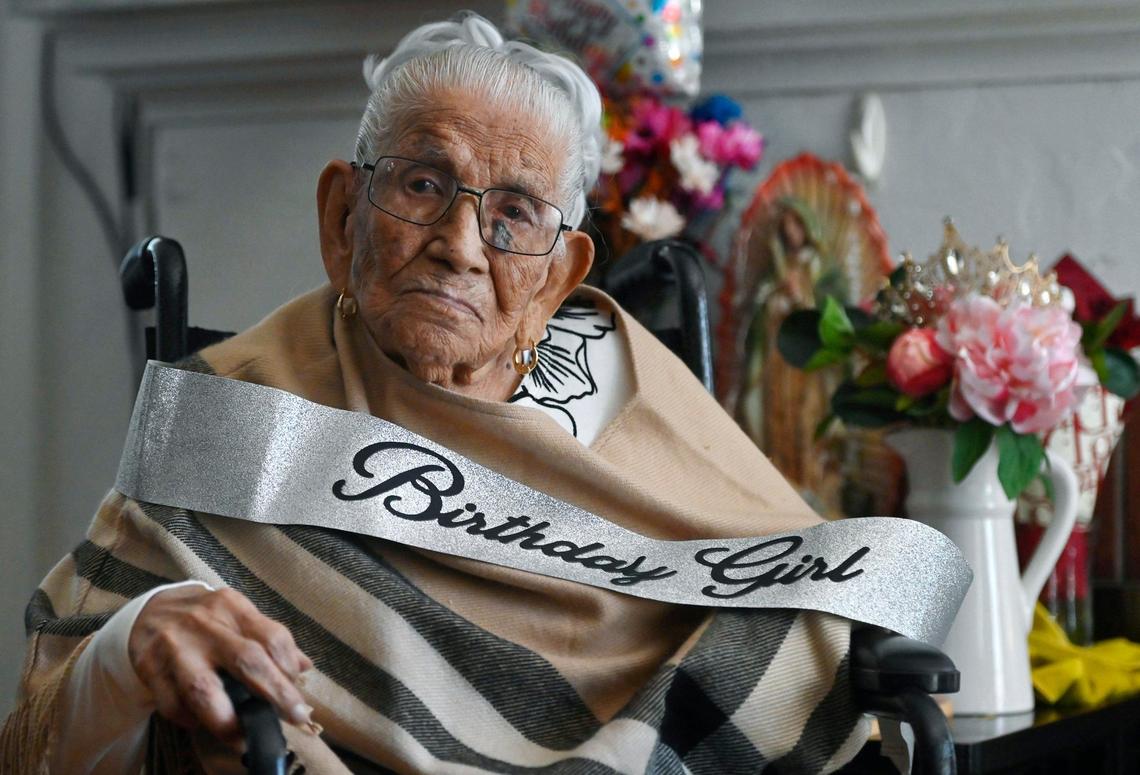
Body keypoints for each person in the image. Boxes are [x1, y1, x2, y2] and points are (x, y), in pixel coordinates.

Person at [1, 13, 867, 774]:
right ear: (344, 217)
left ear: (558, 276)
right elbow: (42, 739)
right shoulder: (231, 412)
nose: (461, 243)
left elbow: (812, 589)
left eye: (514, 212)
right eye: (423, 184)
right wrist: (136, 636)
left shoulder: (628, 377)